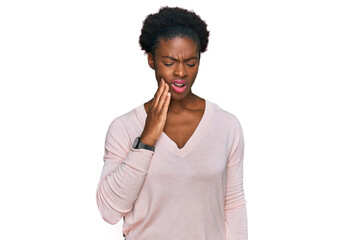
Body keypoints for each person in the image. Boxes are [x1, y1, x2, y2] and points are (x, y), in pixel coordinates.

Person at [96, 6, 247, 240]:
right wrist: (146, 140)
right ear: (151, 60)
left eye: (190, 62)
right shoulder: (123, 128)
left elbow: (234, 205)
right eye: (169, 62)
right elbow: (110, 211)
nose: (181, 72)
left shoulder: (226, 126)